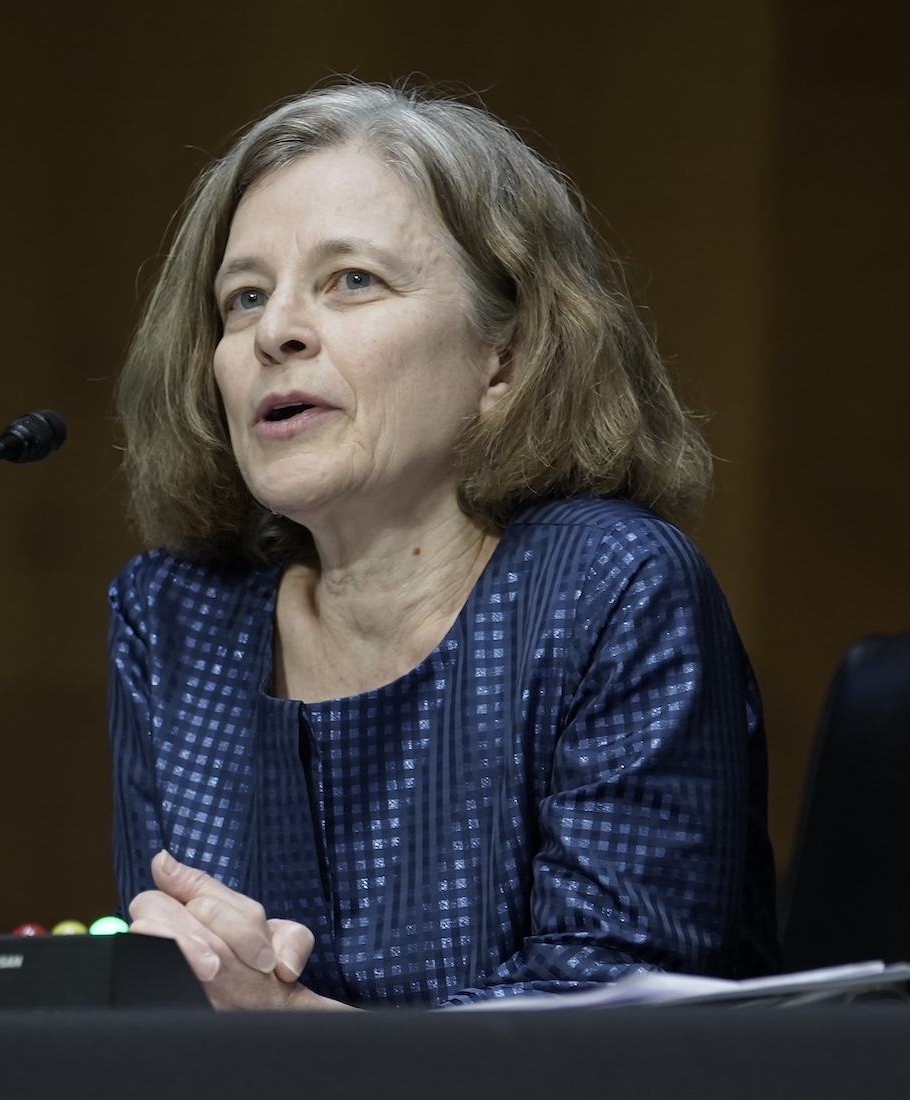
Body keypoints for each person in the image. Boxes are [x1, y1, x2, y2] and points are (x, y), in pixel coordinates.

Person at [109, 82, 779, 1010]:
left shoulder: (610, 588)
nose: (276, 332)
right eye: (244, 296)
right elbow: (167, 991)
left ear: (503, 360)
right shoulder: (176, 614)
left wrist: (289, 1024)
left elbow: (614, 1035)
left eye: (353, 280)